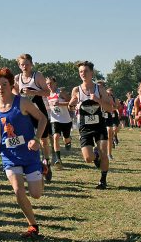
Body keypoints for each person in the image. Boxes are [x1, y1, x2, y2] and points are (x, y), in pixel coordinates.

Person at [0, 68, 47, 238]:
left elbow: (42, 119)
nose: (1, 87)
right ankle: (32, 225)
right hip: (9, 155)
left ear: (11, 84)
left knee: (36, 194)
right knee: (18, 191)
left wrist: (36, 138)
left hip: (29, 153)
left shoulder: (23, 102)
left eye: (4, 84)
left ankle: (42, 170)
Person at [68, 61, 112, 189]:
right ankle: (95, 156)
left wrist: (98, 100)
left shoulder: (100, 89)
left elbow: (110, 108)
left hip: (99, 125)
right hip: (84, 127)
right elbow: (70, 107)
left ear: (92, 73)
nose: (83, 74)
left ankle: (103, 180)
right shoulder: (76, 90)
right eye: (81, 71)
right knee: (88, 158)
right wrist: (72, 104)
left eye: (86, 71)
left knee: (104, 153)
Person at [13, 54, 53, 183]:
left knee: (43, 140)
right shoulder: (17, 78)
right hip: (25, 113)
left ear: (32, 64)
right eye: (22, 64)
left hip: (39, 111)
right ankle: (32, 166)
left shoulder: (38, 76)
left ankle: (47, 162)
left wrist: (33, 92)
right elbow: (14, 93)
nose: (25, 67)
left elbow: (47, 92)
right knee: (27, 139)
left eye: (27, 64)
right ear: (19, 65)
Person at [46, 77, 72, 166]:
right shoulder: (47, 94)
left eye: (51, 83)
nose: (49, 85)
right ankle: (58, 159)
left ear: (55, 83)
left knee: (66, 138)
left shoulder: (60, 92)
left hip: (66, 120)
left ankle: (68, 141)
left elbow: (71, 102)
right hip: (54, 119)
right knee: (56, 137)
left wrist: (59, 104)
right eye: (47, 84)